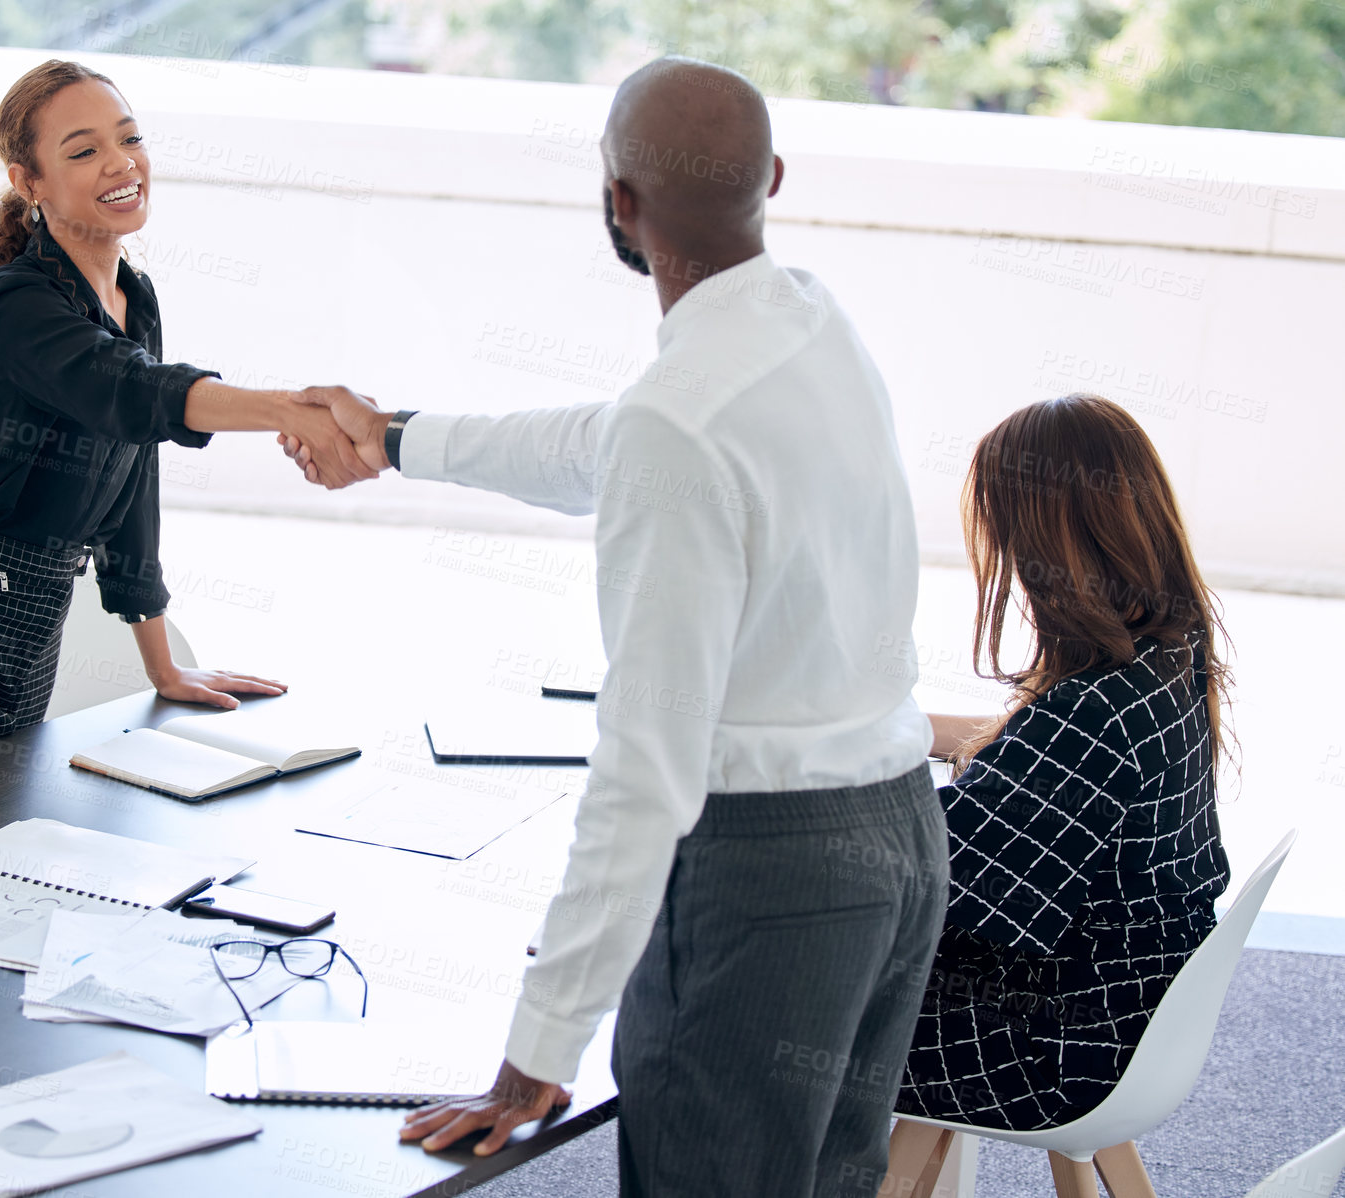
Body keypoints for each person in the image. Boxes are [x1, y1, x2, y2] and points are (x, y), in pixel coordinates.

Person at [285, 57, 949, 1198]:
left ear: (617, 203)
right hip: (896, 842)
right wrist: (398, 438)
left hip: (766, 878)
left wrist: (536, 1048)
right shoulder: (808, 323)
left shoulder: (676, 425)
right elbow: (604, 442)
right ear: (772, 179)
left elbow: (645, 770)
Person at [0, 60, 375, 770]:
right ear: (28, 182)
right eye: (83, 151)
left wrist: (163, 669)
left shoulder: (135, 295)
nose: (120, 163)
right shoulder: (15, 303)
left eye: (129, 139)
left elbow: (134, 479)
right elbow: (134, 391)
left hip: (34, 606)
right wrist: (292, 410)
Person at [890, 393, 1233, 1137]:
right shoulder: (1167, 652)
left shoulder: (1095, 712)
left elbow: (928, 880)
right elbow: (1026, 758)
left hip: (1050, 1053)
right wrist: (890, 731)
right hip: (1128, 1017)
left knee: (764, 987)